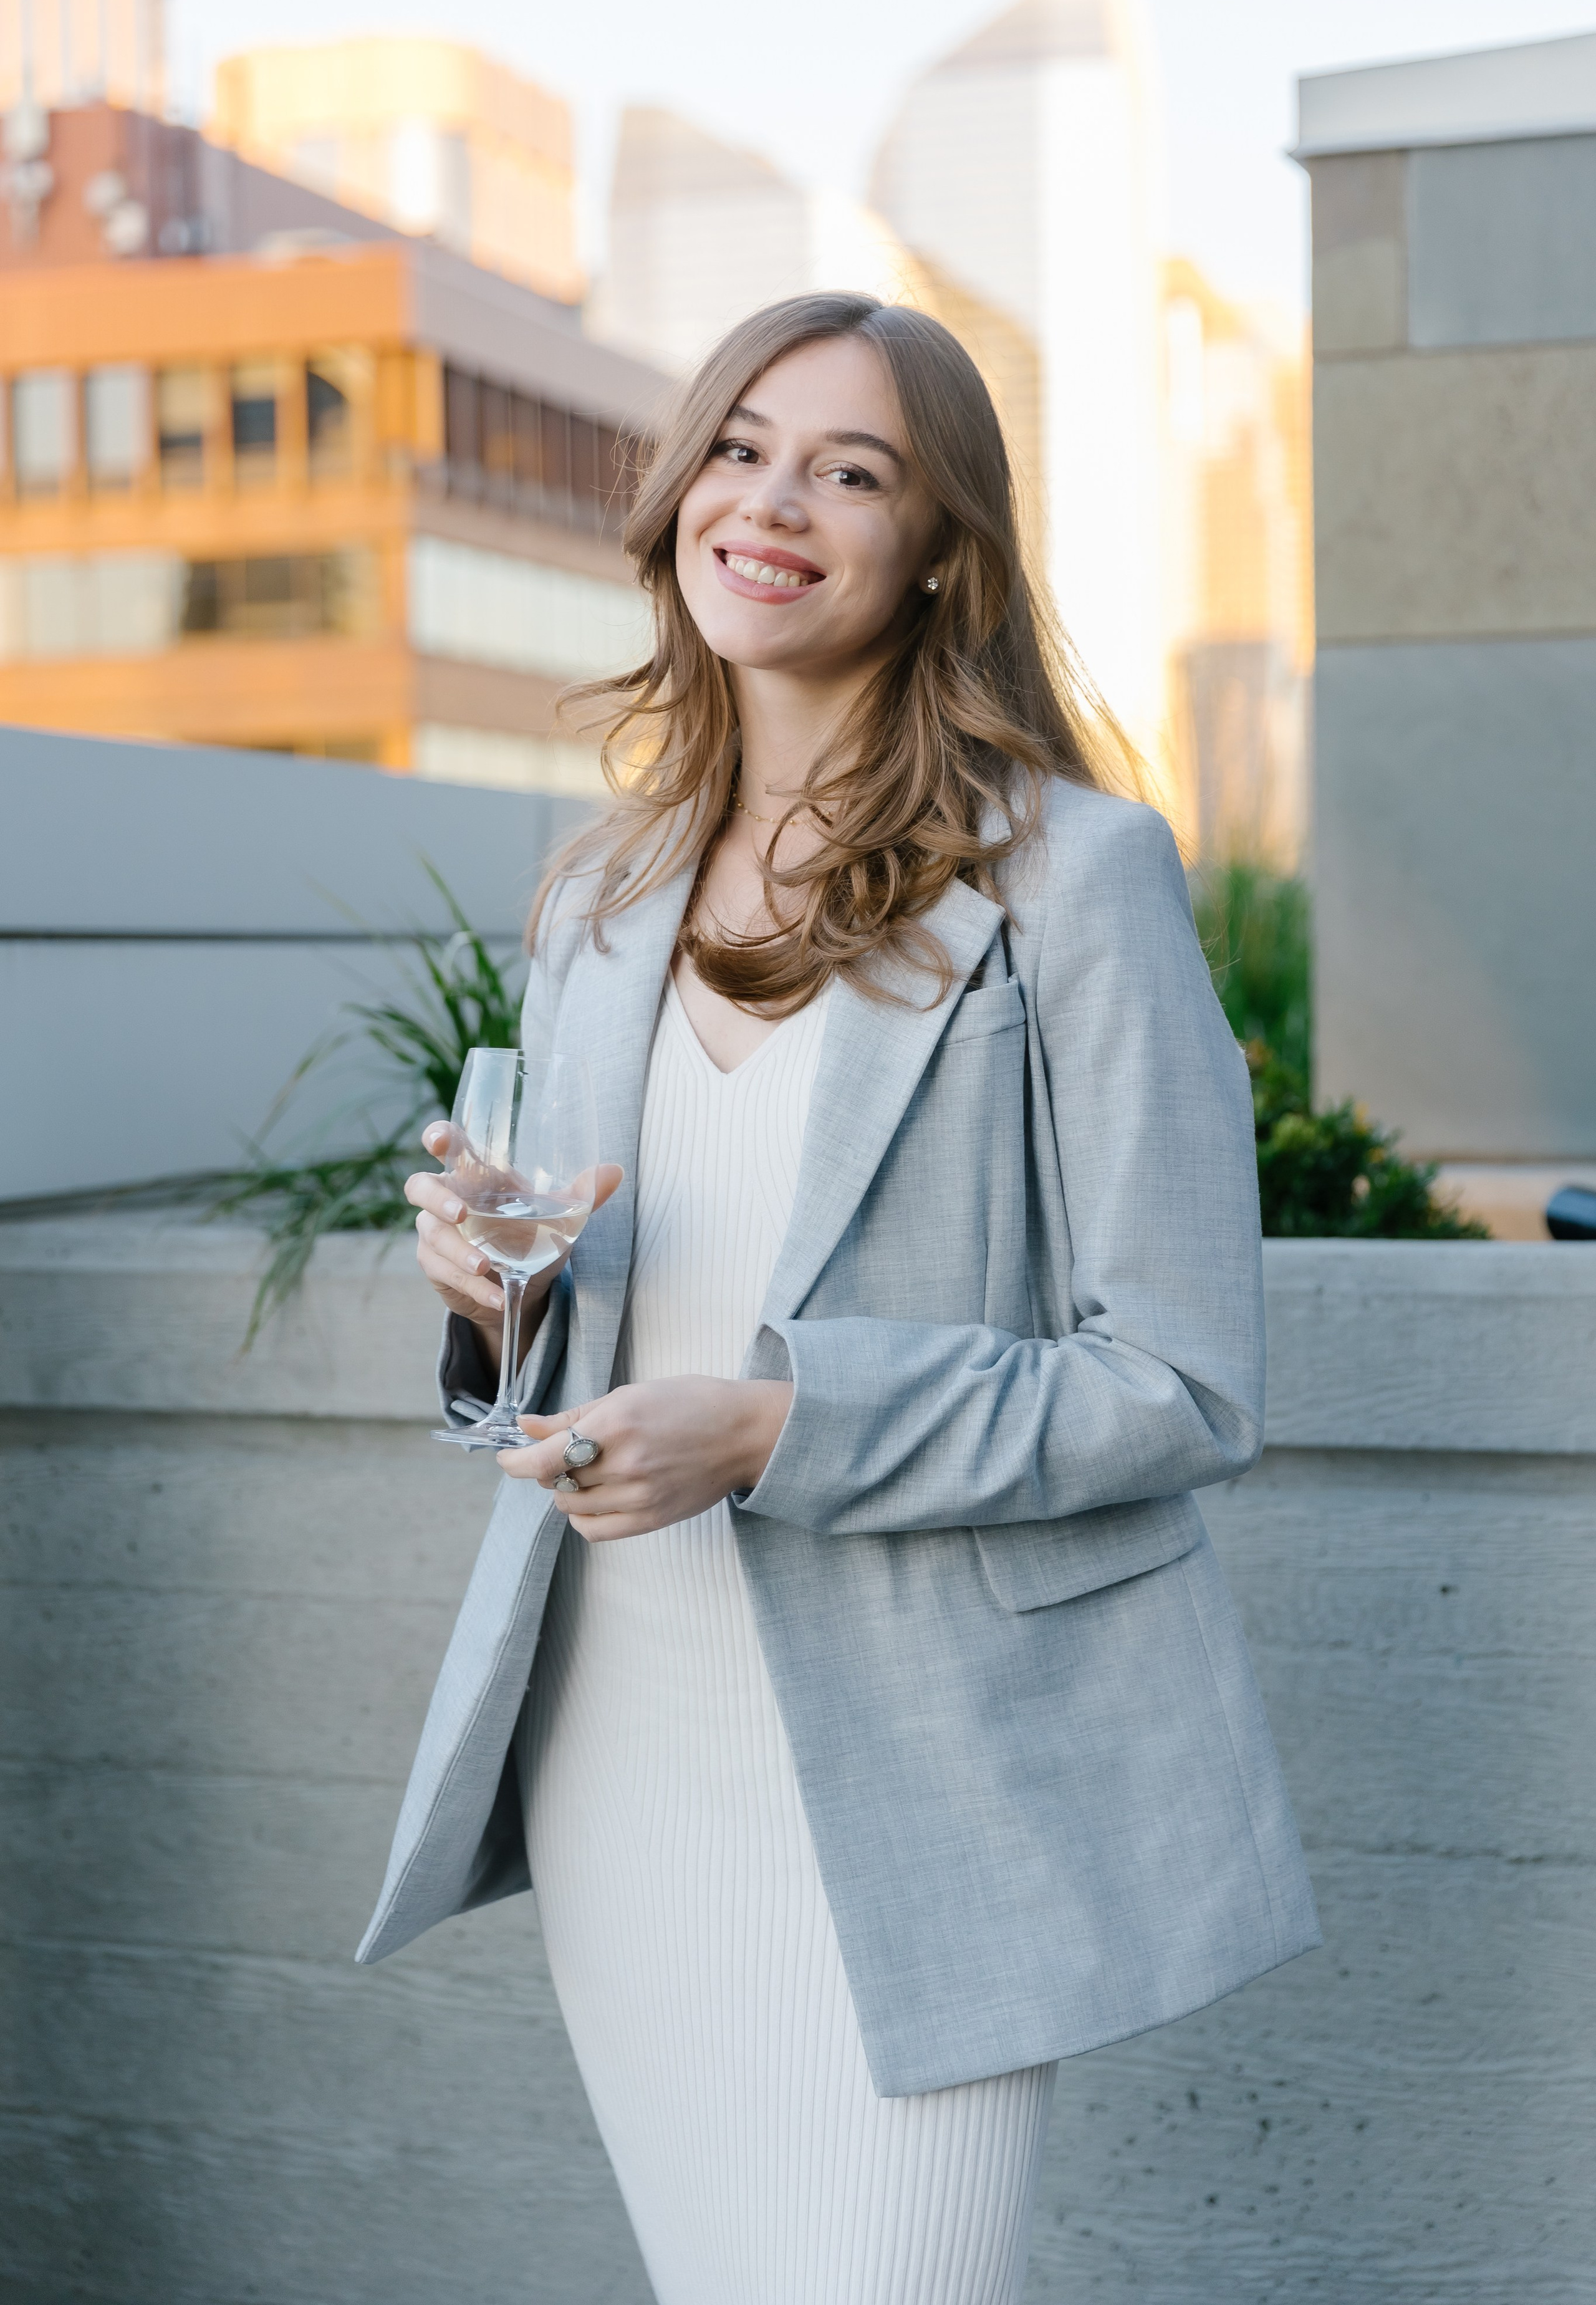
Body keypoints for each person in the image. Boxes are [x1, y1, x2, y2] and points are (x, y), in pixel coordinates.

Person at [358, 292, 1319, 2305]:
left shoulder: (1079, 879)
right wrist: (492, 1290)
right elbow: (565, 1335)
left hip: (930, 1792)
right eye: (737, 445)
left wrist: (780, 1428)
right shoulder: (598, 898)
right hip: (625, 1752)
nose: (769, 500)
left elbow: (1184, 1382)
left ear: (942, 548)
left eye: (850, 469)